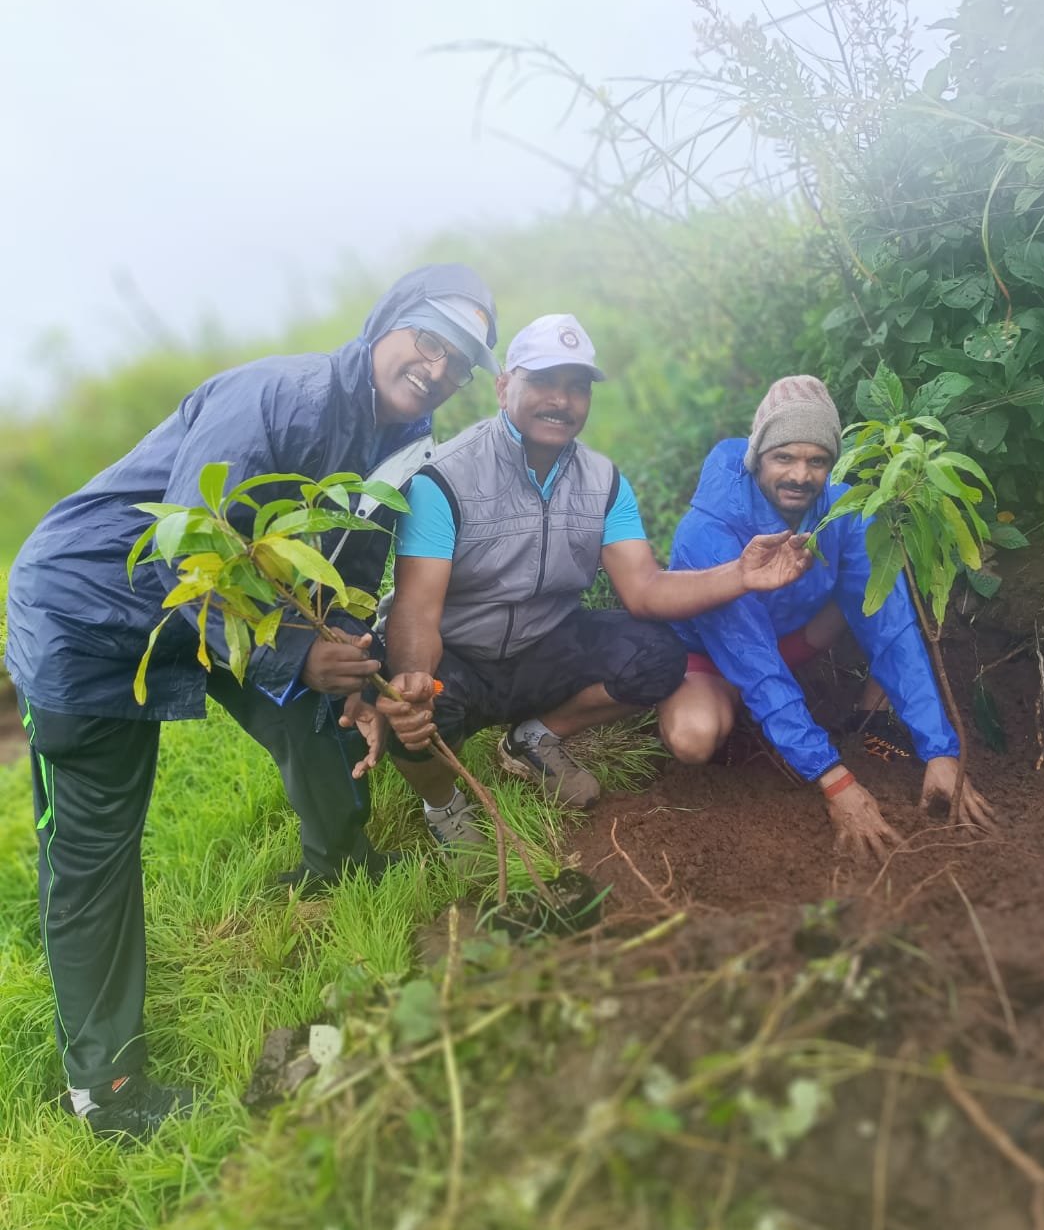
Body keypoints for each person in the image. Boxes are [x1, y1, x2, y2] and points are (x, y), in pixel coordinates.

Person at [5, 264, 499, 1140]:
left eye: (457, 361)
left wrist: (348, 656)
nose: (435, 366)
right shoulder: (278, 398)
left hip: (230, 608)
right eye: (427, 339)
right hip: (90, 611)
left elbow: (348, 569)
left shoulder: (402, 439)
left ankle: (335, 858)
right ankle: (106, 1090)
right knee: (95, 845)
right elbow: (184, 555)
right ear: (386, 324)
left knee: (325, 700)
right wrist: (293, 652)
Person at [366, 314, 807, 846]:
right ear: (505, 386)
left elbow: (644, 589)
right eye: (545, 382)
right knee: (410, 703)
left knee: (660, 658)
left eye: (577, 388)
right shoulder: (445, 478)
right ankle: (445, 808)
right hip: (458, 652)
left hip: (544, 646)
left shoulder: (603, 482)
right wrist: (414, 676)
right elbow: (417, 610)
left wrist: (739, 573)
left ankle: (535, 739)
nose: (562, 400)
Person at [657, 375, 995, 863]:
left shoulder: (847, 509)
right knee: (694, 738)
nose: (800, 475)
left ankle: (859, 712)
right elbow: (752, 658)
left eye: (817, 460)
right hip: (711, 654)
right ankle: (729, 704)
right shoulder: (707, 531)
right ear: (757, 459)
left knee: (881, 590)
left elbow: (891, 626)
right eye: (784, 458)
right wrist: (835, 780)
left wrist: (940, 751)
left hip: (790, 638)